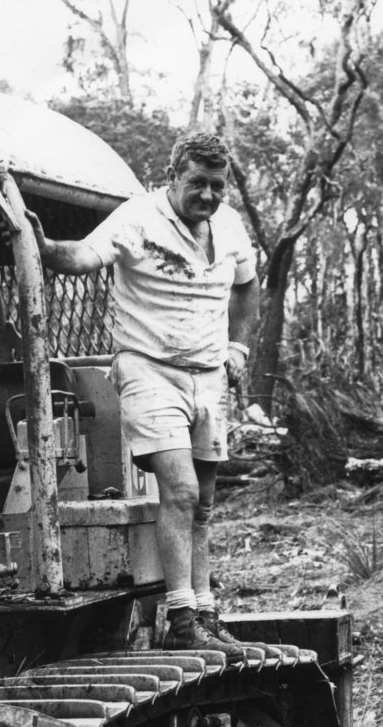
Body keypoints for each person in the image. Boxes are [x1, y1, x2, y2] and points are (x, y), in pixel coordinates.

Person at [25, 131, 261, 661]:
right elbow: (85, 256)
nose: (207, 195)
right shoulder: (138, 217)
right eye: (196, 183)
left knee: (203, 501)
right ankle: (180, 616)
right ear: (173, 177)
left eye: (217, 185)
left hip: (208, 373)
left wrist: (238, 348)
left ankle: (204, 611)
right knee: (178, 489)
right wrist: (45, 250)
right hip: (149, 368)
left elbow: (248, 284)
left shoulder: (227, 225)